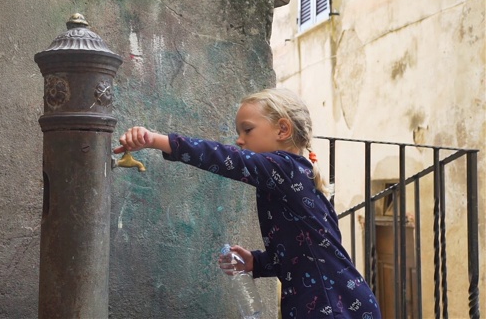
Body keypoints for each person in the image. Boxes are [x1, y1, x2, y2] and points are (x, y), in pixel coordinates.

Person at [113, 88, 381, 319]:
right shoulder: (289, 177)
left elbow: (227, 158)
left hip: (333, 305)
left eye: (247, 130)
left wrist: (157, 140)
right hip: (328, 302)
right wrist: (258, 262)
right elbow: (304, 253)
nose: (240, 140)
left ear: (283, 129)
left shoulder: (285, 168)